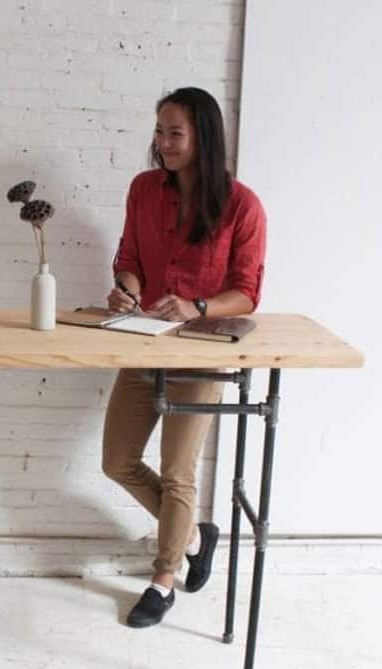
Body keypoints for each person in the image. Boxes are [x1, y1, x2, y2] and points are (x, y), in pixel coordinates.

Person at [101, 87, 266, 628]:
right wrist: (126, 287)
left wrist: (197, 306)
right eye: (159, 131)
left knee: (178, 473)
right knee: (117, 460)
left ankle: (163, 579)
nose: (164, 143)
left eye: (175, 133)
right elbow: (128, 259)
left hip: (201, 350)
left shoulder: (242, 205)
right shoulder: (144, 190)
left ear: (203, 138)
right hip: (145, 340)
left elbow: (246, 292)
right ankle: (196, 534)